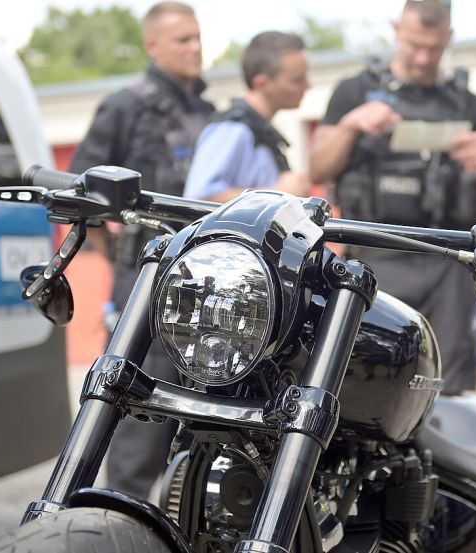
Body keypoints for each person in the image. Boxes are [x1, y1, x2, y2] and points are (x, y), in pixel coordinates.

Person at [309, 0, 476, 395]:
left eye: (433, 48)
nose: (422, 58)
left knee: (448, 385)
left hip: (448, 263)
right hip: (375, 258)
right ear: (396, 29)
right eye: (414, 45)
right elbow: (318, 168)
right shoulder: (354, 92)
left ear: (448, 38)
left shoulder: (470, 106)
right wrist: (351, 126)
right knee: (366, 382)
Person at [68, 1, 214, 500]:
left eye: (198, 37)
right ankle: (118, 526)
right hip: (148, 277)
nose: (196, 48)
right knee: (142, 415)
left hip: (211, 281)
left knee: (204, 421)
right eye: (183, 40)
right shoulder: (126, 104)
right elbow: (82, 187)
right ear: (152, 45)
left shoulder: (209, 114)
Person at [184, 31, 312, 202]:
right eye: (297, 80)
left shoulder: (255, 128)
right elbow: (198, 197)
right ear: (262, 84)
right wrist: (277, 192)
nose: (308, 86)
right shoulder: (232, 129)